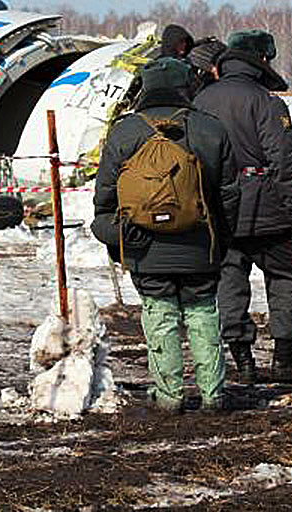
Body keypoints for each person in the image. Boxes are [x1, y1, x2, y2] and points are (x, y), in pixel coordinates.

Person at [91, 58, 240, 413]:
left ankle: (169, 395)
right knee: (203, 311)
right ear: (184, 87)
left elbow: (105, 198)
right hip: (199, 244)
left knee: (159, 314)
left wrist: (121, 238)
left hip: (145, 247)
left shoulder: (124, 132)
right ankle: (213, 393)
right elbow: (229, 194)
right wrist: (220, 238)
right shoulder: (211, 129)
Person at [193, 29, 292, 383]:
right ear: (261, 61)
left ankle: (242, 361)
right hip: (268, 208)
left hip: (219, 208)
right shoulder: (267, 102)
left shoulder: (201, 101)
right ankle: (284, 358)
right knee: (287, 276)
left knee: (229, 281)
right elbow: (285, 161)